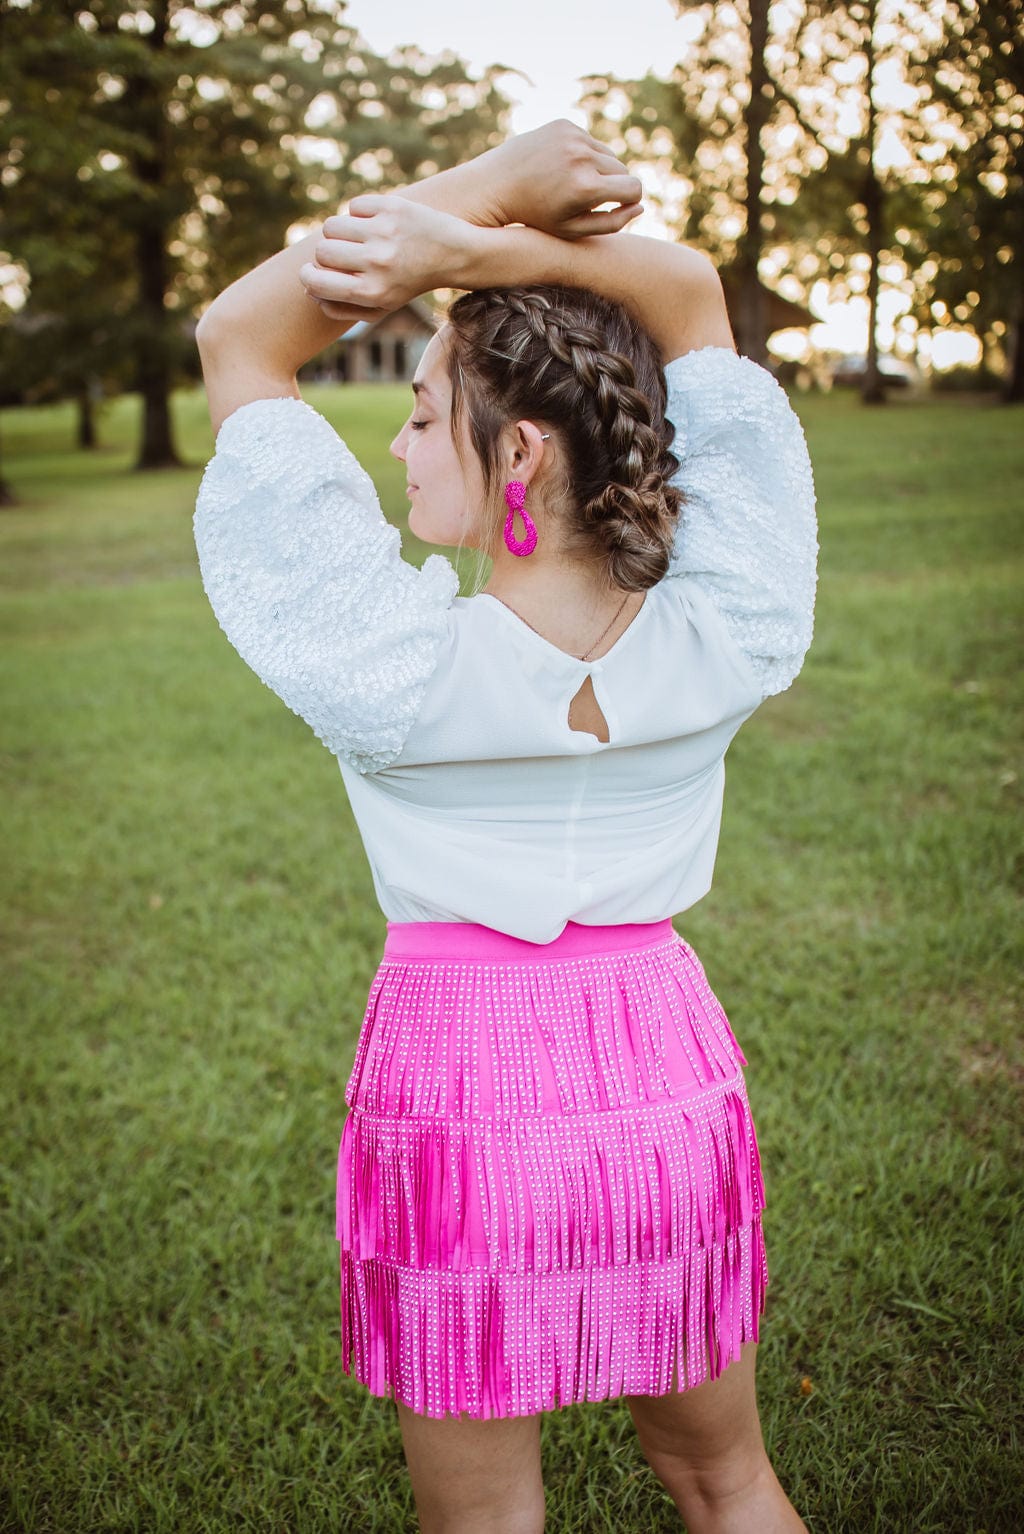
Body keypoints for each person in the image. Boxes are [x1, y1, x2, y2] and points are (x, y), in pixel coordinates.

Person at [193, 121, 816, 1533]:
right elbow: (693, 299)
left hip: (464, 1103)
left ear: (517, 454)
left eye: (422, 412)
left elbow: (239, 335)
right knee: (724, 1477)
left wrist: (474, 199)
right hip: (666, 1078)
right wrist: (478, 251)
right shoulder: (736, 630)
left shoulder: (388, 668)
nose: (400, 443)